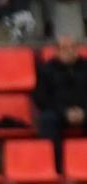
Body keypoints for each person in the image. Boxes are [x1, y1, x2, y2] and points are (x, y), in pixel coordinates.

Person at [33, 35, 87, 171]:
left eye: (73, 47)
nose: (69, 51)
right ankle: (56, 167)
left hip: (84, 111)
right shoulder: (46, 70)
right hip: (58, 112)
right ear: (56, 51)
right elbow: (42, 98)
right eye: (64, 48)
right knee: (47, 120)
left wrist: (83, 111)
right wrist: (64, 112)